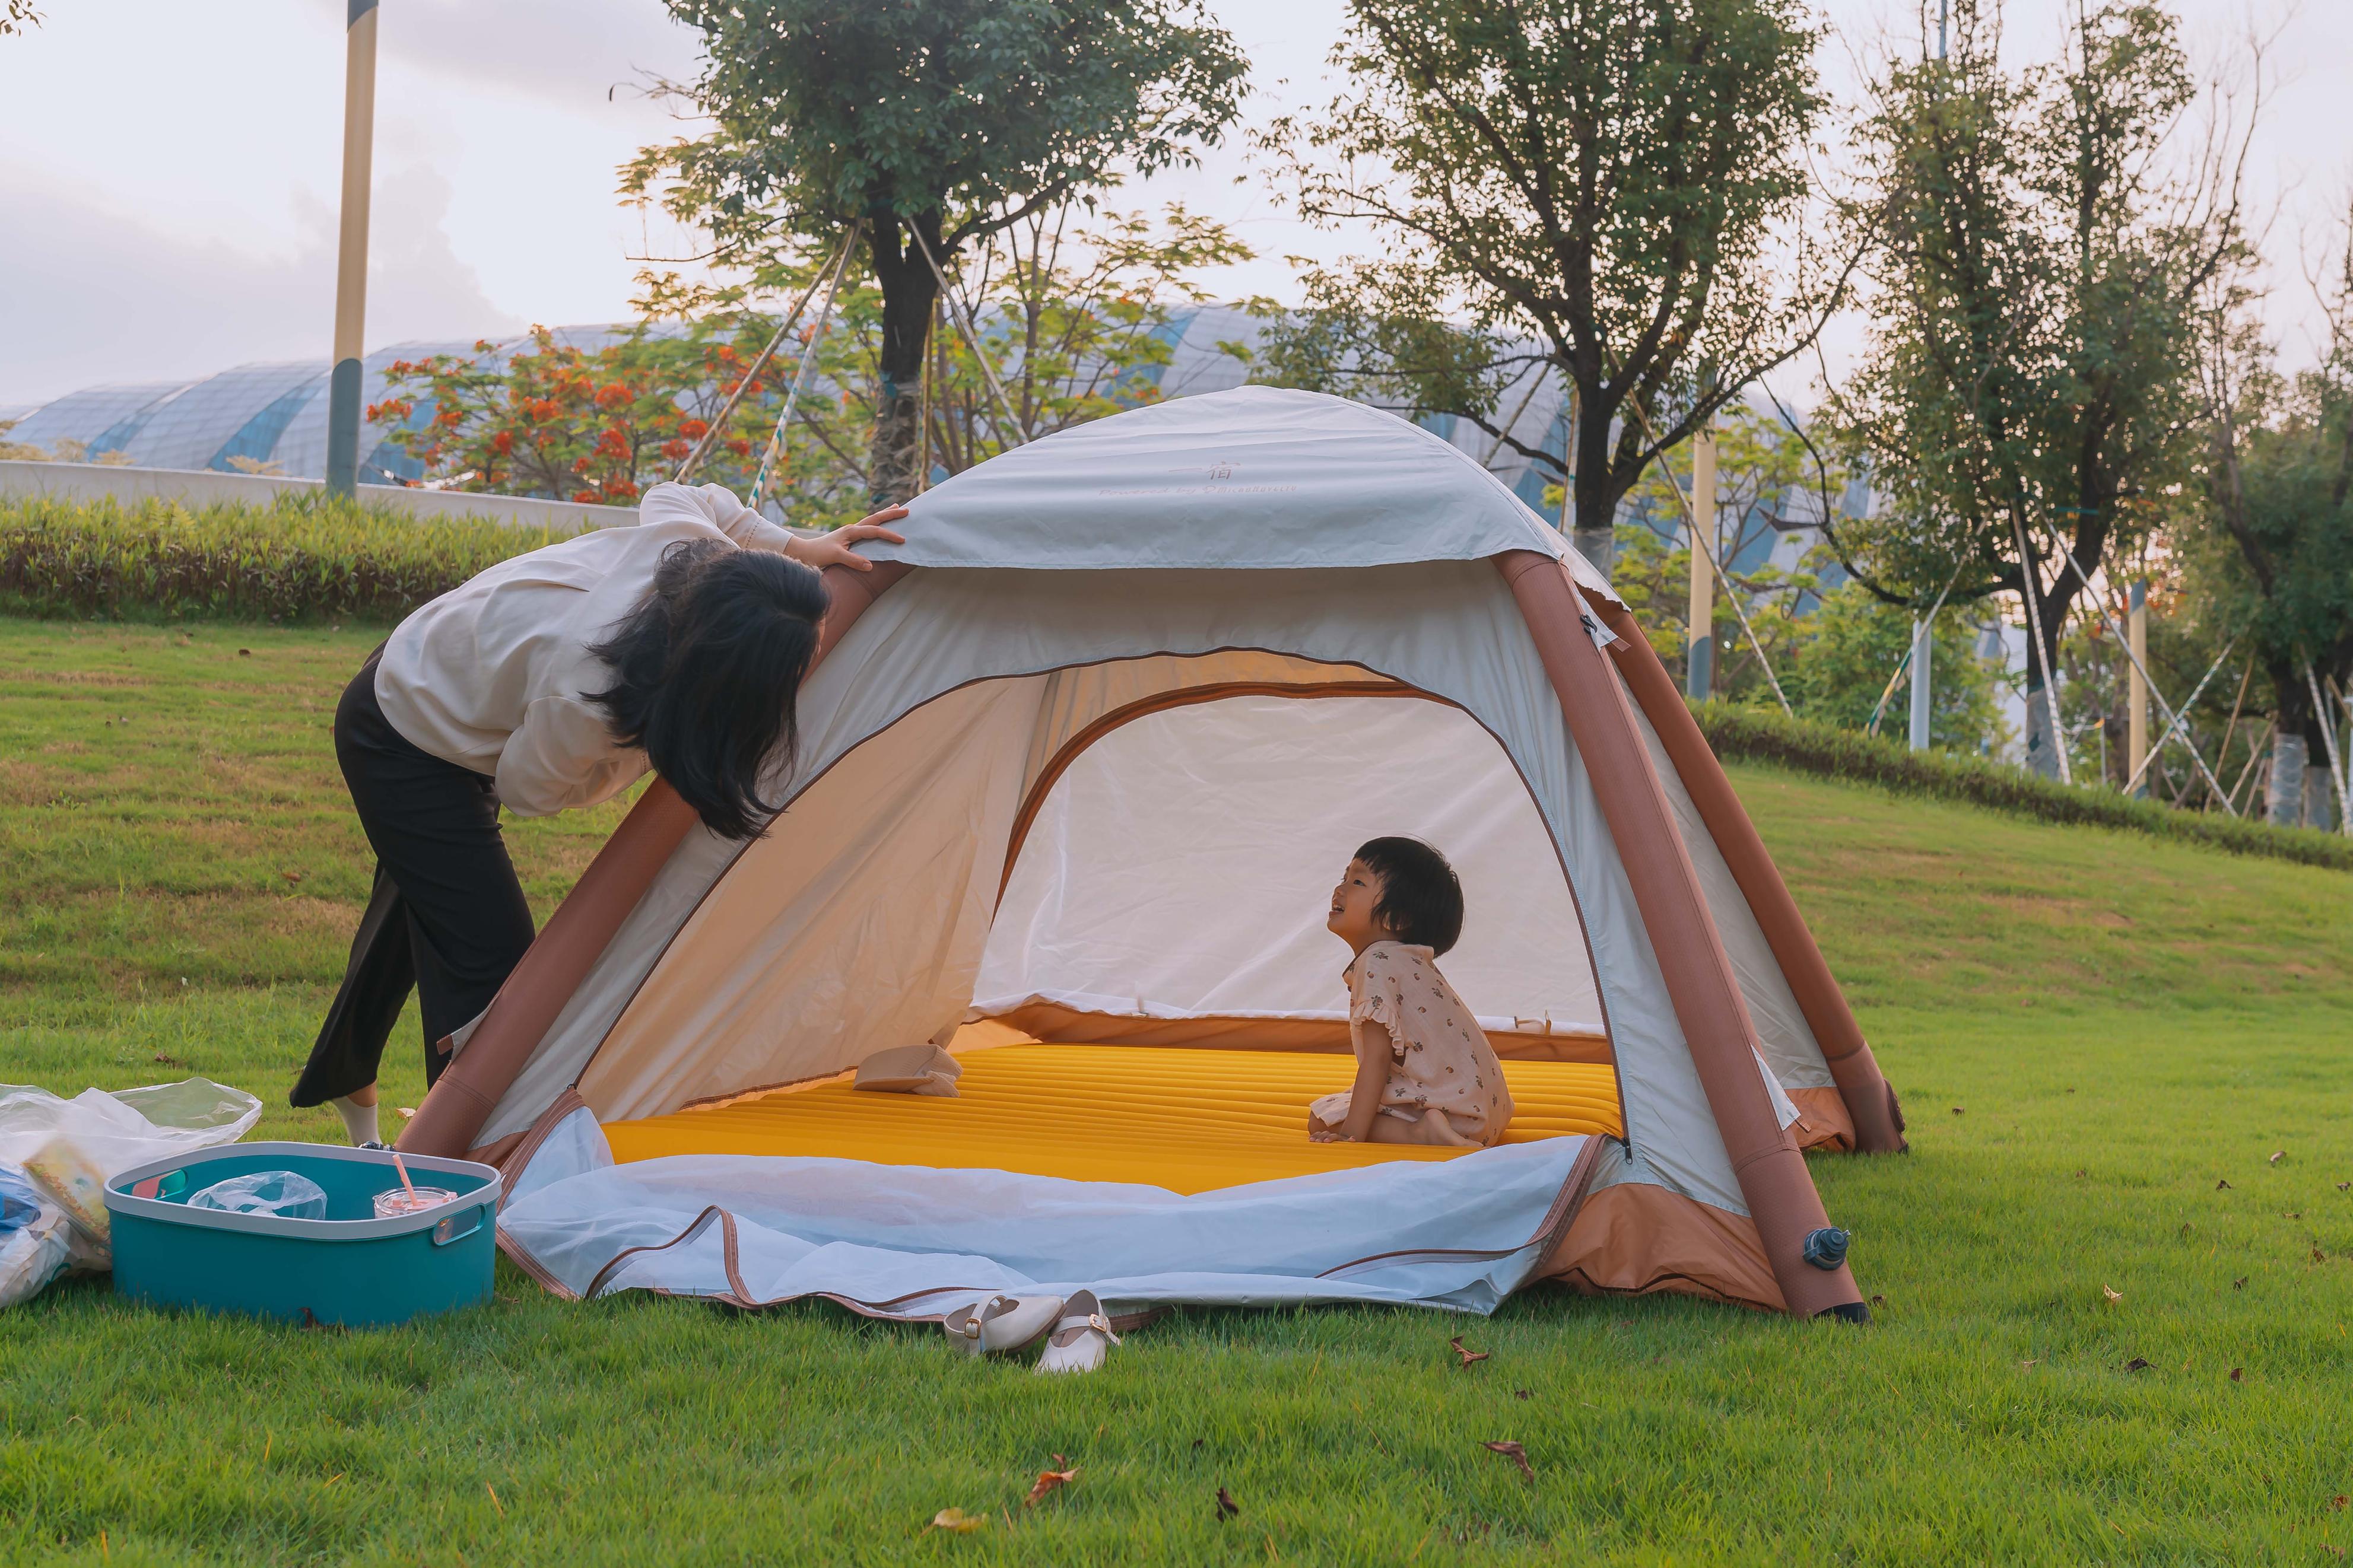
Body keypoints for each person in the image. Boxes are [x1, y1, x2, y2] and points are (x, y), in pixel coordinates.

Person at [290, 482, 905, 1145]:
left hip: (449, 673)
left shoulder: (695, 552)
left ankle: (352, 1082)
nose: (811, 661)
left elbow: (680, 490)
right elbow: (530, 792)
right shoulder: (587, 698)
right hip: (404, 734)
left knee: (425, 917)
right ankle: (472, 1155)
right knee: (488, 958)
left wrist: (796, 546)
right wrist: (651, 750)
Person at [1307, 837, 1513, 1148]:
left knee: (1321, 1118)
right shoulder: (1408, 961)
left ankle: (1419, 1134)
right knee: (1344, 1102)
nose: (1340, 890)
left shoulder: (1377, 962)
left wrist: (1350, 1137)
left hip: (1450, 1116)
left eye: (1358, 881)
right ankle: (1429, 1128)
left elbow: (1377, 1059)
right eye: (1344, 878)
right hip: (1485, 1114)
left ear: (1397, 918)